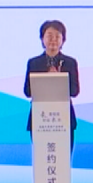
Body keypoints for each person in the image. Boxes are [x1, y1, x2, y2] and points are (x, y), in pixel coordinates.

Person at [24, 20, 80, 150]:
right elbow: (27, 91)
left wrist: (59, 80)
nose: (53, 40)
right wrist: (45, 80)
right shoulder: (34, 63)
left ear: (63, 40)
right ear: (42, 39)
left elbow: (75, 91)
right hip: (40, 118)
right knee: (42, 157)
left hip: (64, 118)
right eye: (49, 36)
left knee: (63, 157)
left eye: (57, 36)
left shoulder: (70, 62)